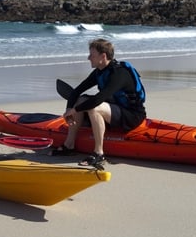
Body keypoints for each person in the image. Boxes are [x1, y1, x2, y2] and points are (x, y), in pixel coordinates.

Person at [53, 38, 146, 167]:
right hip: (114, 111)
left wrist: (75, 110)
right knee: (82, 99)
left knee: (94, 107)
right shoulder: (99, 72)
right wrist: (69, 109)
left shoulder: (119, 73)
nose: (88, 58)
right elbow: (76, 91)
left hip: (132, 115)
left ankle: (99, 153)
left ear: (103, 56)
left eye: (92, 55)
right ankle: (69, 145)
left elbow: (98, 99)